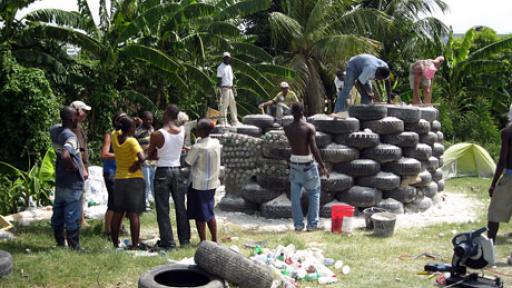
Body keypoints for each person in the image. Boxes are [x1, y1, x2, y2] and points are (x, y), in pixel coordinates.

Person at [148, 105, 190, 249]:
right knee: (180, 207)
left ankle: (168, 242)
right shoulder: (183, 131)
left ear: (165, 114)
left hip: (163, 171)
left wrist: (159, 154)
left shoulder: (157, 134)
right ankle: (184, 240)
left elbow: (150, 155)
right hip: (177, 170)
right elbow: (180, 149)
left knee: (163, 208)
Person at [284, 103, 329, 231]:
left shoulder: (287, 128)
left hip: (294, 165)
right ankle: (311, 225)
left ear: (292, 113)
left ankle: (298, 225)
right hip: (308, 165)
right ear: (303, 113)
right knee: (314, 194)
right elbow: (314, 149)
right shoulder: (309, 127)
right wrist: (323, 166)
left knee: (295, 197)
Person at [50, 106, 87, 250]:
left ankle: (60, 243)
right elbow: (65, 155)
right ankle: (74, 246)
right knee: (72, 214)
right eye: (76, 117)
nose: (78, 119)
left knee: (58, 211)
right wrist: (72, 165)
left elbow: (60, 151)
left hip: (61, 180)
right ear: (73, 119)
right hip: (72, 182)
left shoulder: (55, 131)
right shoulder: (71, 136)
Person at [110, 116, 146, 249]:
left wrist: (130, 122)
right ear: (131, 129)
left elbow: (117, 128)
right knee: (133, 213)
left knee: (118, 212)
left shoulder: (114, 136)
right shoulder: (132, 141)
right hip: (134, 179)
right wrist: (137, 164)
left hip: (119, 179)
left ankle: (115, 243)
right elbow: (142, 158)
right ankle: (135, 245)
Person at [185, 119, 221, 242]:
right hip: (212, 182)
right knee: (209, 212)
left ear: (202, 131)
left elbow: (188, 162)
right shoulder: (216, 142)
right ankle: (214, 239)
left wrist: (189, 150)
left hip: (198, 184)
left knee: (199, 215)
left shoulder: (198, 147)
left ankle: (203, 240)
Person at [487, 105, 512, 244]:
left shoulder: (508, 132)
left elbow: (502, 161)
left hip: (510, 177)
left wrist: (493, 184)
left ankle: (489, 249)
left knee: (494, 215)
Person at [101, 112, 127, 238]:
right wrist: (120, 155)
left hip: (123, 173)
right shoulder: (110, 135)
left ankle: (119, 227)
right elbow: (104, 153)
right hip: (111, 172)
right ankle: (107, 230)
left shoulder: (127, 136)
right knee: (113, 202)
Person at [70, 100, 91, 227]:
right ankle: (75, 221)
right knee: (75, 195)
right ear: (77, 111)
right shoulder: (70, 129)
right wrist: (82, 168)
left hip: (82, 165)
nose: (86, 114)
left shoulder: (79, 128)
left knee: (81, 194)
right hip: (76, 167)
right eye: (84, 111)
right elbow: (75, 151)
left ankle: (81, 218)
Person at [135, 111, 156, 210]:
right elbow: (135, 145)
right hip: (144, 161)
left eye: (150, 119)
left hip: (153, 161)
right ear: (142, 119)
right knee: (145, 183)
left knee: (153, 182)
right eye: (147, 119)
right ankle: (145, 203)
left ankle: (153, 202)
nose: (149, 121)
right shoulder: (138, 131)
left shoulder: (152, 129)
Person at [217, 51, 240, 127]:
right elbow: (219, 79)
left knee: (233, 104)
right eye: (225, 58)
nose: (227, 59)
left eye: (228, 58)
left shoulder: (229, 67)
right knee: (224, 105)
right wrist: (219, 91)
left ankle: (234, 120)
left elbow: (231, 79)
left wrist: (234, 89)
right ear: (223, 58)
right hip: (224, 88)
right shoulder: (220, 67)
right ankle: (223, 121)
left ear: (229, 58)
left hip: (230, 88)